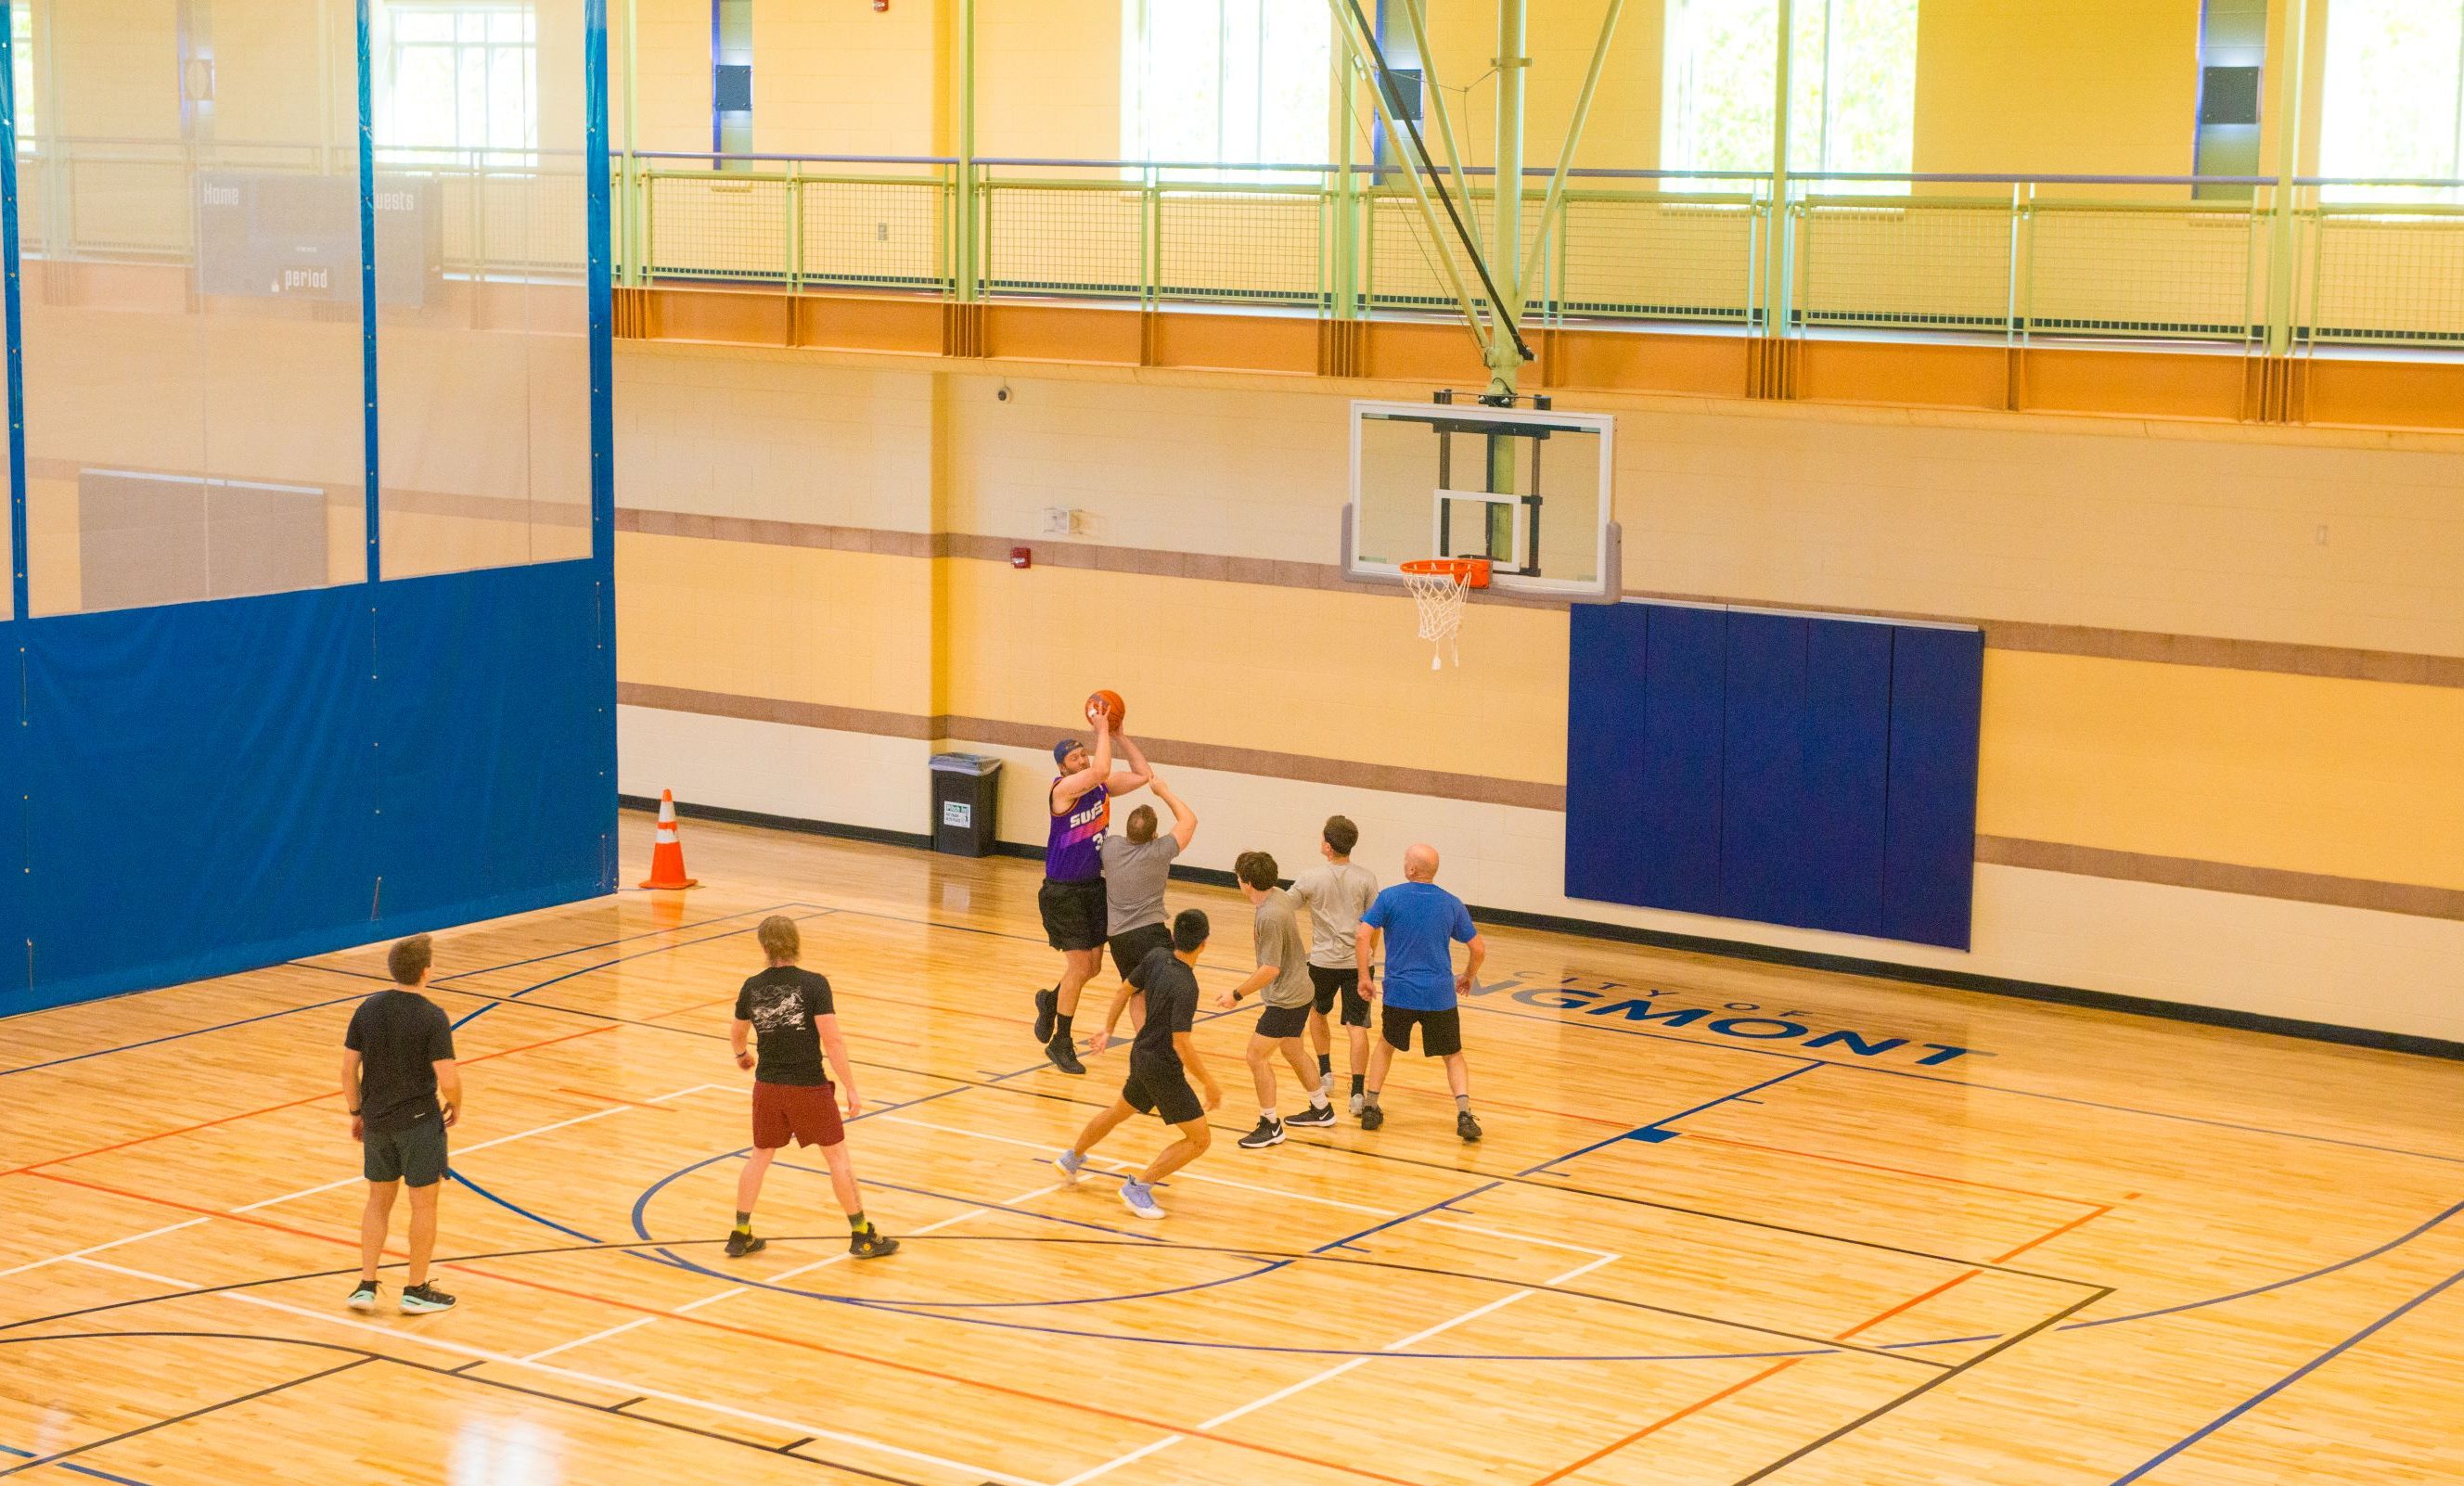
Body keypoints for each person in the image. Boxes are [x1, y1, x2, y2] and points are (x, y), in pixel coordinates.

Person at [725, 916, 898, 1260]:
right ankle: (861, 1234)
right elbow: (832, 1040)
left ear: (764, 947)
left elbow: (737, 1032)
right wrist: (850, 1087)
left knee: (760, 1156)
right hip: (807, 1086)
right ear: (796, 943)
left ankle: (740, 1233)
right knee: (836, 1156)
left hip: (768, 1087)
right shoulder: (814, 985)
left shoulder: (752, 986)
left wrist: (742, 1055)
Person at [1054, 909, 1223, 1219]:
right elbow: (1181, 1041)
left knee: (1118, 1111)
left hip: (1142, 1053)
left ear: (1173, 936)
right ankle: (1139, 1187)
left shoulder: (1157, 956)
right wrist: (1208, 1082)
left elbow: (1123, 990)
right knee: (1200, 1139)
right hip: (1162, 1067)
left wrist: (1109, 1028)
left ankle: (1072, 1157)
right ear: (1204, 944)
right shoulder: (1187, 985)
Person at [341, 934, 462, 1314]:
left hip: (377, 1121)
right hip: (419, 1124)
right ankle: (415, 1289)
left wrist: (357, 1113)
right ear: (426, 971)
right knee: (423, 1205)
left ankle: (366, 1284)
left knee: (378, 1202)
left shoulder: (369, 1008)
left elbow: (347, 1070)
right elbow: (448, 1077)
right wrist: (456, 1104)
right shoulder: (432, 1016)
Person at [1033, 704, 1151, 1074]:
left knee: (1091, 968)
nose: (1082, 760)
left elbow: (1142, 775)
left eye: (1083, 753)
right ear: (1062, 768)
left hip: (1092, 888)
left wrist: (1118, 736)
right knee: (1081, 965)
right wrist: (1101, 728)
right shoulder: (1063, 791)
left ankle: (1052, 1001)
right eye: (1074, 757)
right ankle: (1061, 1042)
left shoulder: (1100, 786)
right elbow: (1101, 768)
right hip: (1063, 891)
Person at [1354, 843, 1487, 1142]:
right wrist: (1468, 976)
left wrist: (1364, 976)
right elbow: (1478, 948)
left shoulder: (1389, 898)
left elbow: (1362, 936)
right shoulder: (1451, 903)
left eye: (1405, 860)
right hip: (1439, 996)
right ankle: (1464, 1114)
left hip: (1400, 994)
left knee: (1386, 1046)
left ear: (1412, 869)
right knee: (1452, 1055)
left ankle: (1371, 1107)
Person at [1216, 851, 1334, 1147]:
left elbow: (1270, 969)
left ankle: (1270, 1125)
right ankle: (1322, 1108)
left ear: (1247, 883)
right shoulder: (1277, 894)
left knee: (1255, 1056)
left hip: (1286, 999)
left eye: (1239, 877)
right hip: (1300, 991)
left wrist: (1236, 994)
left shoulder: (1270, 915)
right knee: (1293, 1051)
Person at [1090, 775, 1197, 1054]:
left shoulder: (1110, 847)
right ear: (1153, 835)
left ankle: (1145, 1044)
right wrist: (1163, 791)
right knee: (1168, 987)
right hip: (1150, 933)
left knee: (1135, 989)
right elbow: (1189, 821)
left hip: (1119, 938)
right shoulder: (1160, 850)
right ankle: (1163, 1040)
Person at [1288, 814, 1379, 1116]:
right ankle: (1357, 1093)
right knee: (1357, 1026)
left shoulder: (1310, 877)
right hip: (1358, 964)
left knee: (1317, 1011)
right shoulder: (1367, 878)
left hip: (1322, 962)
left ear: (1327, 845)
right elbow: (1374, 925)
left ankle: (1326, 1073)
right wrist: (1369, 956)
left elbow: (1285, 907)